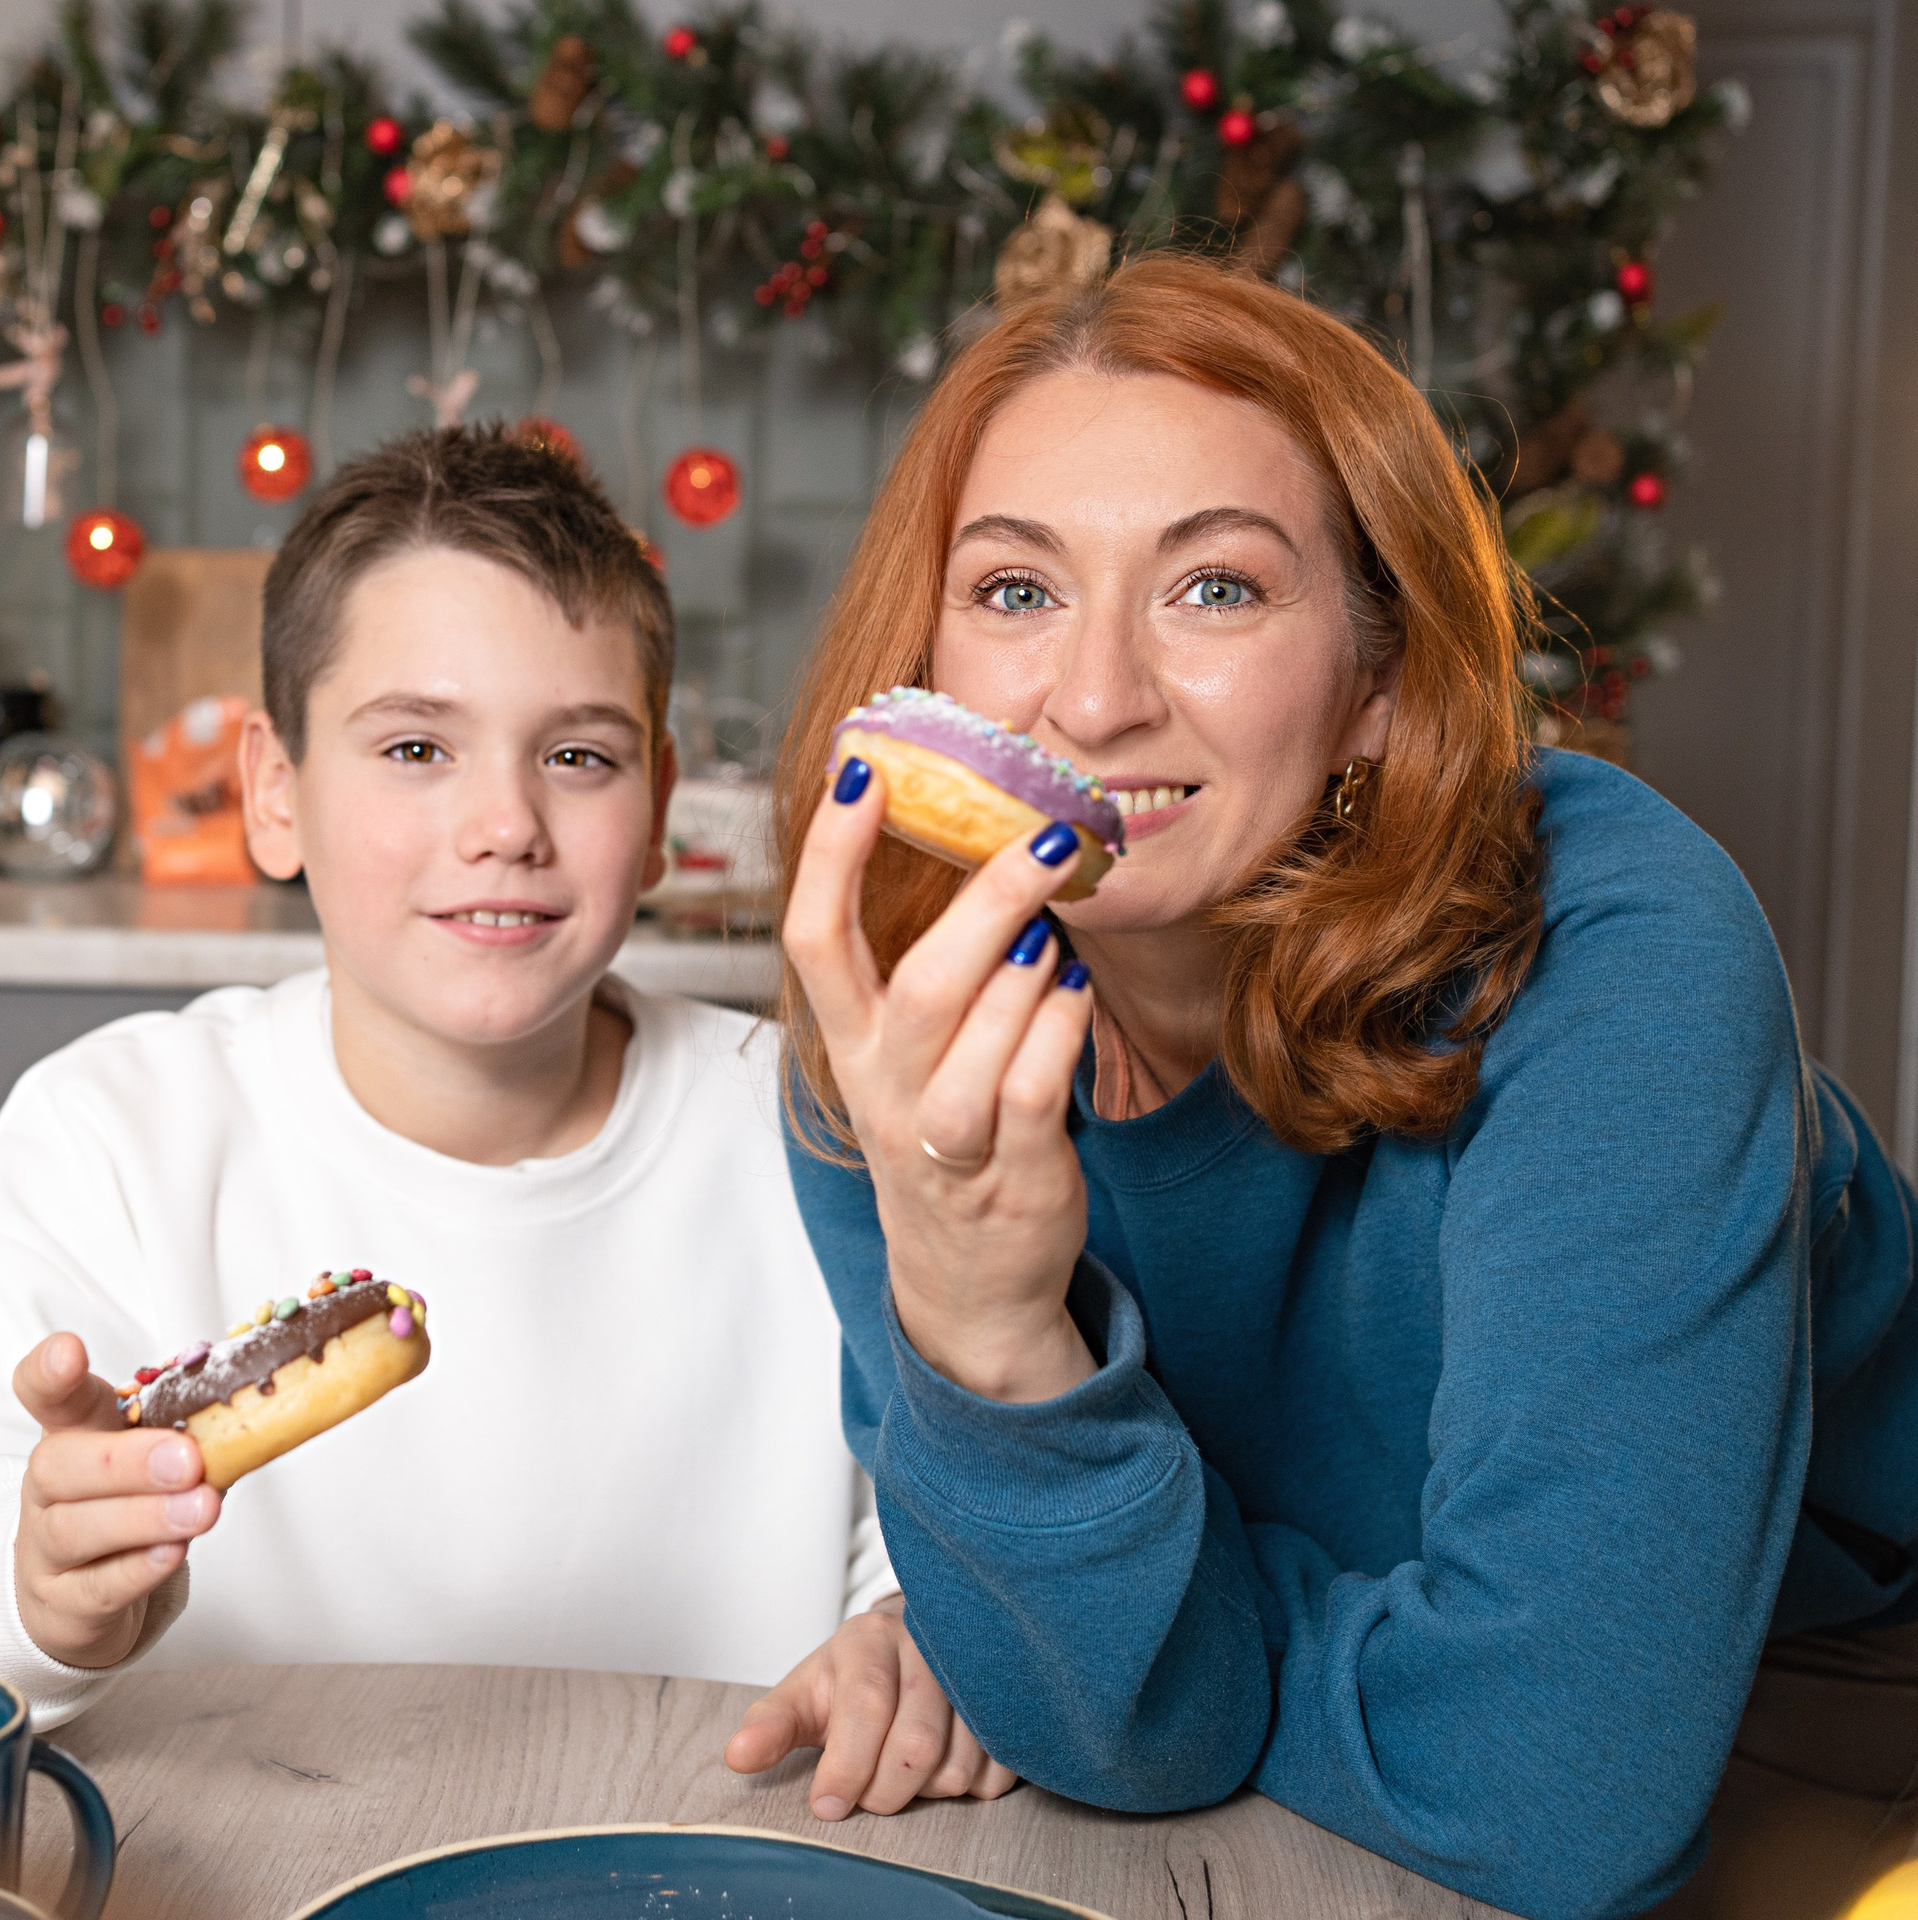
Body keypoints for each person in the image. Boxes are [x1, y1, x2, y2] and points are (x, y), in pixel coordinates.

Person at [721, 256, 1918, 1920]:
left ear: (1378, 680)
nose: (1093, 695)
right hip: (1341, 1781)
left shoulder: (1612, 940)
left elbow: (1556, 1792)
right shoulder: (896, 1032)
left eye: (1214, 589)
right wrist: (991, 1337)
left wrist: (1145, 1626)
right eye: (1013, 592)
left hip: (1830, 1717)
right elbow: (1122, 1744)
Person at [0, 427, 904, 1736]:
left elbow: (932, 1520)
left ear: (658, 801)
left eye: (578, 756)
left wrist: (909, 1636)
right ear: (275, 795)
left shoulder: (810, 1131)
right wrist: (25, 1583)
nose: (506, 824)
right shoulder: (123, 1138)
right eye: (414, 749)